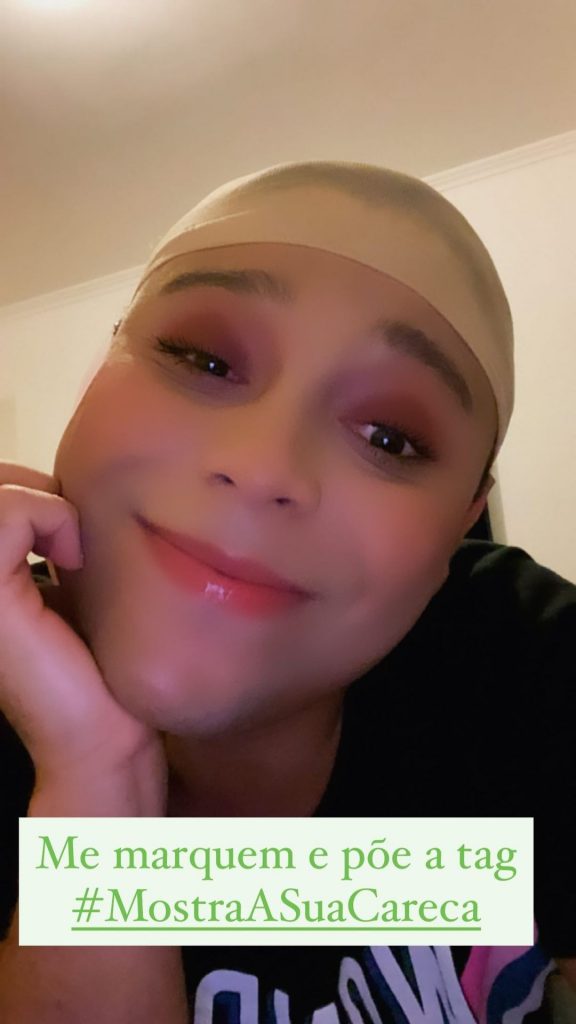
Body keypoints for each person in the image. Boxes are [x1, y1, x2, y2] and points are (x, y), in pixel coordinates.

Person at [0, 160, 574, 1023]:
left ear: (463, 519)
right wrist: (96, 779)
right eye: (202, 358)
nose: (264, 465)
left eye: (391, 437)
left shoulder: (521, 662)